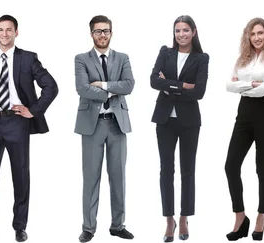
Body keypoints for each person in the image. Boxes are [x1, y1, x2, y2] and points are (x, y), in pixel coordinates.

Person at [0, 14, 58, 243]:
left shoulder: (28, 58)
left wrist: (33, 110)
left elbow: (51, 86)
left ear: (16, 32)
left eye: (9, 30)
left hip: (17, 122)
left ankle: (20, 227)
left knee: (20, 176)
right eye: (0, 30)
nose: (4, 34)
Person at [74, 15, 135, 243]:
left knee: (118, 178)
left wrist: (102, 85)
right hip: (93, 125)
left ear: (111, 32)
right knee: (91, 178)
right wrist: (114, 90)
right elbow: (82, 88)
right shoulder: (81, 59)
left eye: (106, 31)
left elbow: (129, 85)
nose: (102, 35)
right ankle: (88, 228)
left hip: (117, 124)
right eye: (98, 31)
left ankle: (118, 226)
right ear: (91, 34)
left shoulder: (123, 58)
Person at [149, 15, 209, 242]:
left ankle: (184, 218)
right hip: (164, 119)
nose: (181, 34)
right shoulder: (165, 52)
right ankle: (169, 220)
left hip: (189, 122)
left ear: (194, 31)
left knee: (188, 171)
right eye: (177, 31)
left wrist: (169, 85)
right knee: (166, 171)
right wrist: (183, 85)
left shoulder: (201, 58)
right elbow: (154, 81)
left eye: (185, 30)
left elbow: (200, 92)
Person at [224, 17, 264, 241]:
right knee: (230, 166)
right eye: (252, 34)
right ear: (248, 36)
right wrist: (253, 85)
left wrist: (245, 86)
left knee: (263, 169)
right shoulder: (243, 59)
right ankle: (240, 216)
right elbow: (229, 85)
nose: (256, 37)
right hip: (244, 115)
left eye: (260, 33)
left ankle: (261, 216)